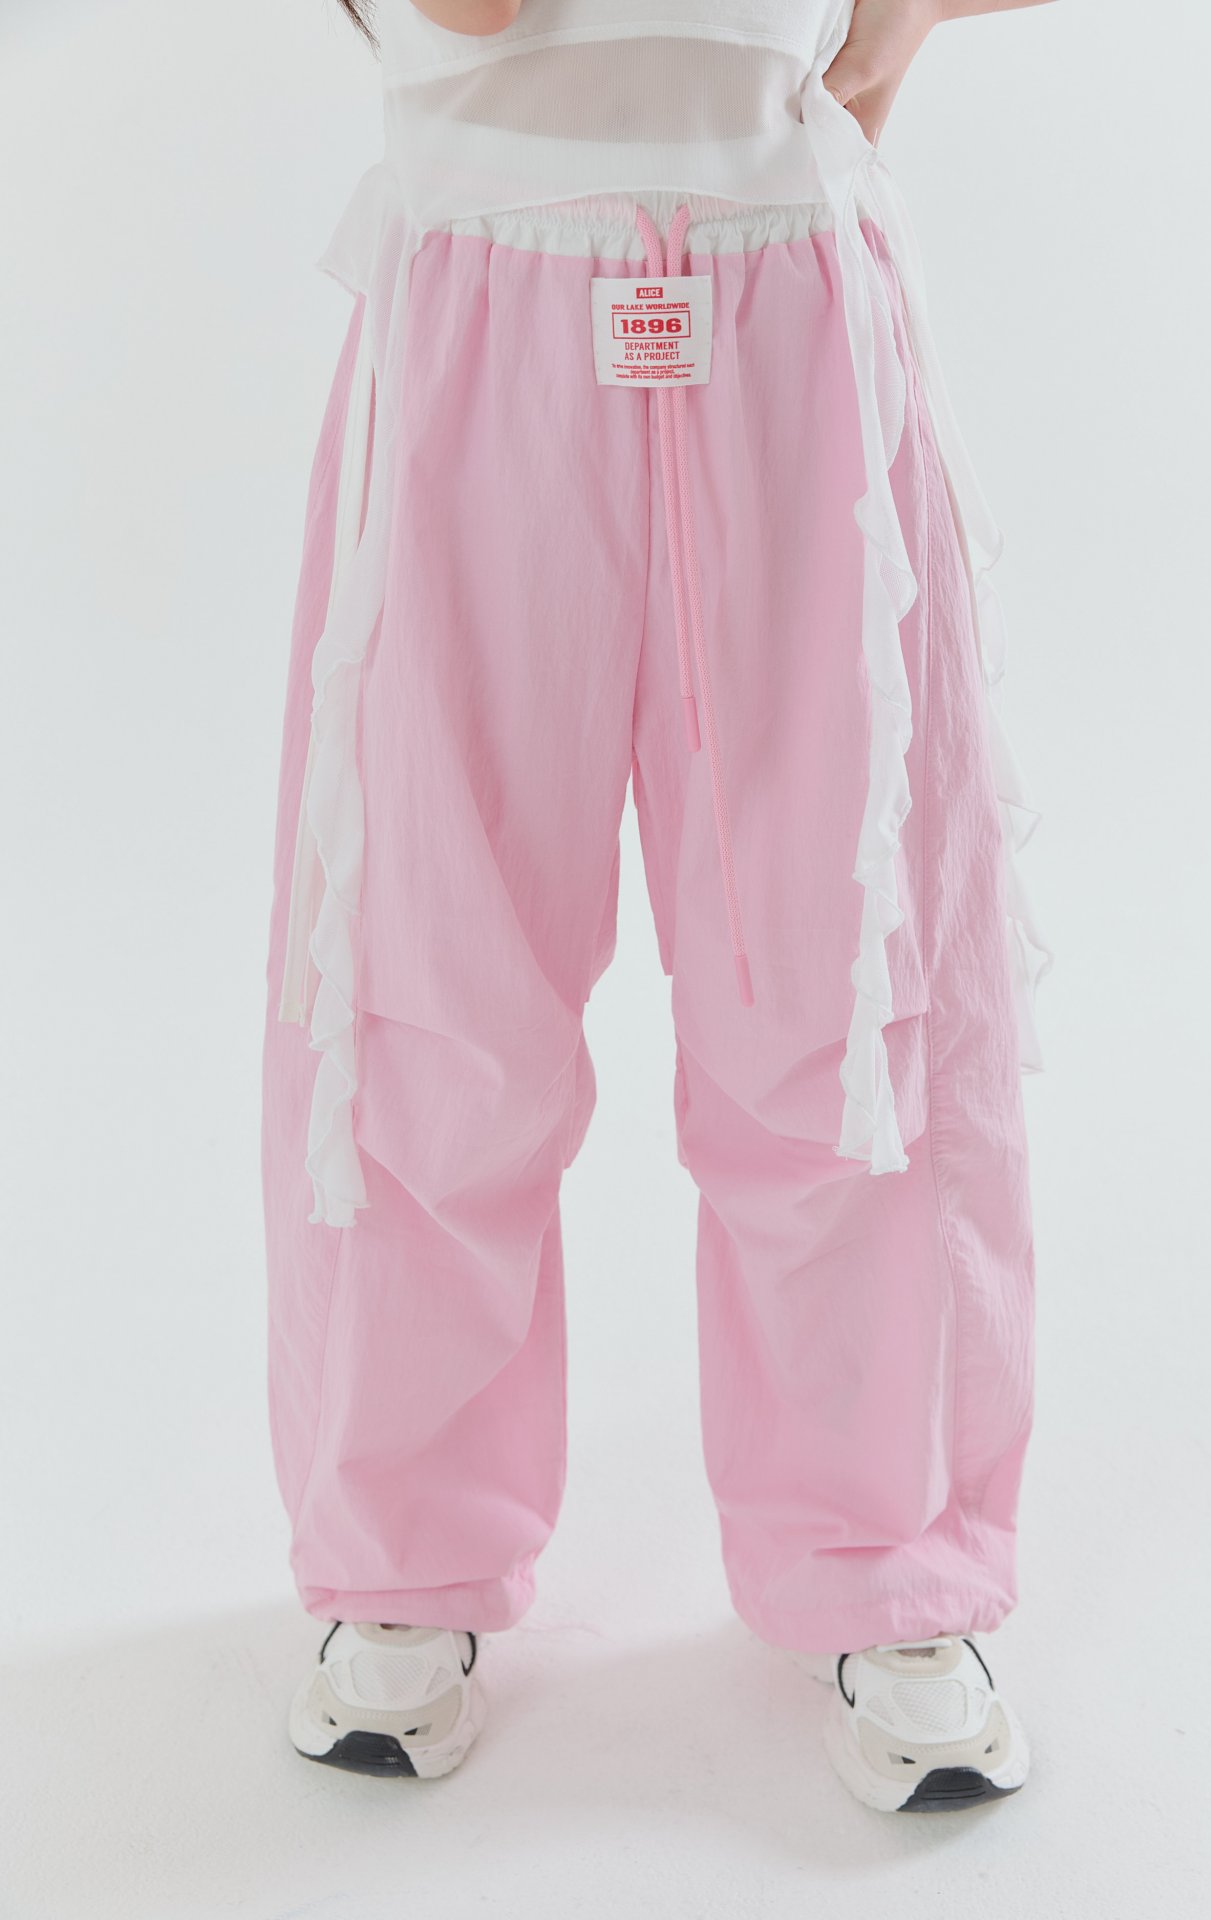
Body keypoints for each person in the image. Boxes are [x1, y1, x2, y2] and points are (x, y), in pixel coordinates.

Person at [262, 0, 1054, 1811]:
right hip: (480, 285)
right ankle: (402, 1549)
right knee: (425, 972)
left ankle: (891, 1552)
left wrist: (905, 16)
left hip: (788, 284)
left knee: (848, 978)